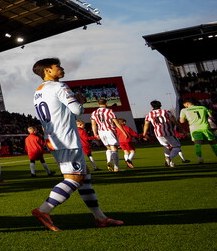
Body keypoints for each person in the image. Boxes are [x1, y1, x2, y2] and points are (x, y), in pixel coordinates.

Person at [30, 58, 122, 231]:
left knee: (84, 178)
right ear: (48, 70)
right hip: (66, 139)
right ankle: (44, 210)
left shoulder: (38, 91)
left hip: (53, 137)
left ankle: (100, 217)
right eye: (58, 67)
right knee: (75, 179)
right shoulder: (60, 86)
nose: (62, 68)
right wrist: (80, 100)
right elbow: (77, 110)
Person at [143, 101, 187, 167]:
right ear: (160, 105)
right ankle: (169, 158)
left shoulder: (149, 114)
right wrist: (183, 129)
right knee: (177, 146)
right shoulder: (166, 112)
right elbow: (174, 121)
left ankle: (171, 164)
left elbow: (146, 124)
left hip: (158, 133)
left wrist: (144, 133)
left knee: (166, 146)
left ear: (151, 106)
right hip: (168, 132)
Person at [178, 98, 217, 163]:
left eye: (184, 105)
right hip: (205, 127)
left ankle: (200, 158)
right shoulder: (203, 108)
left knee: (197, 143)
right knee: (213, 142)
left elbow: (182, 121)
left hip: (194, 128)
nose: (184, 106)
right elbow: (211, 117)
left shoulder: (184, 110)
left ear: (187, 103)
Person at [91, 98, 121, 172]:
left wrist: (95, 133)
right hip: (109, 130)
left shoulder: (94, 112)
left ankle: (108, 161)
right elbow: (116, 123)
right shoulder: (110, 111)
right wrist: (123, 132)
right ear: (106, 103)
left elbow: (93, 124)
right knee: (114, 148)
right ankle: (116, 167)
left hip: (101, 131)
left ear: (98, 104)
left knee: (108, 148)